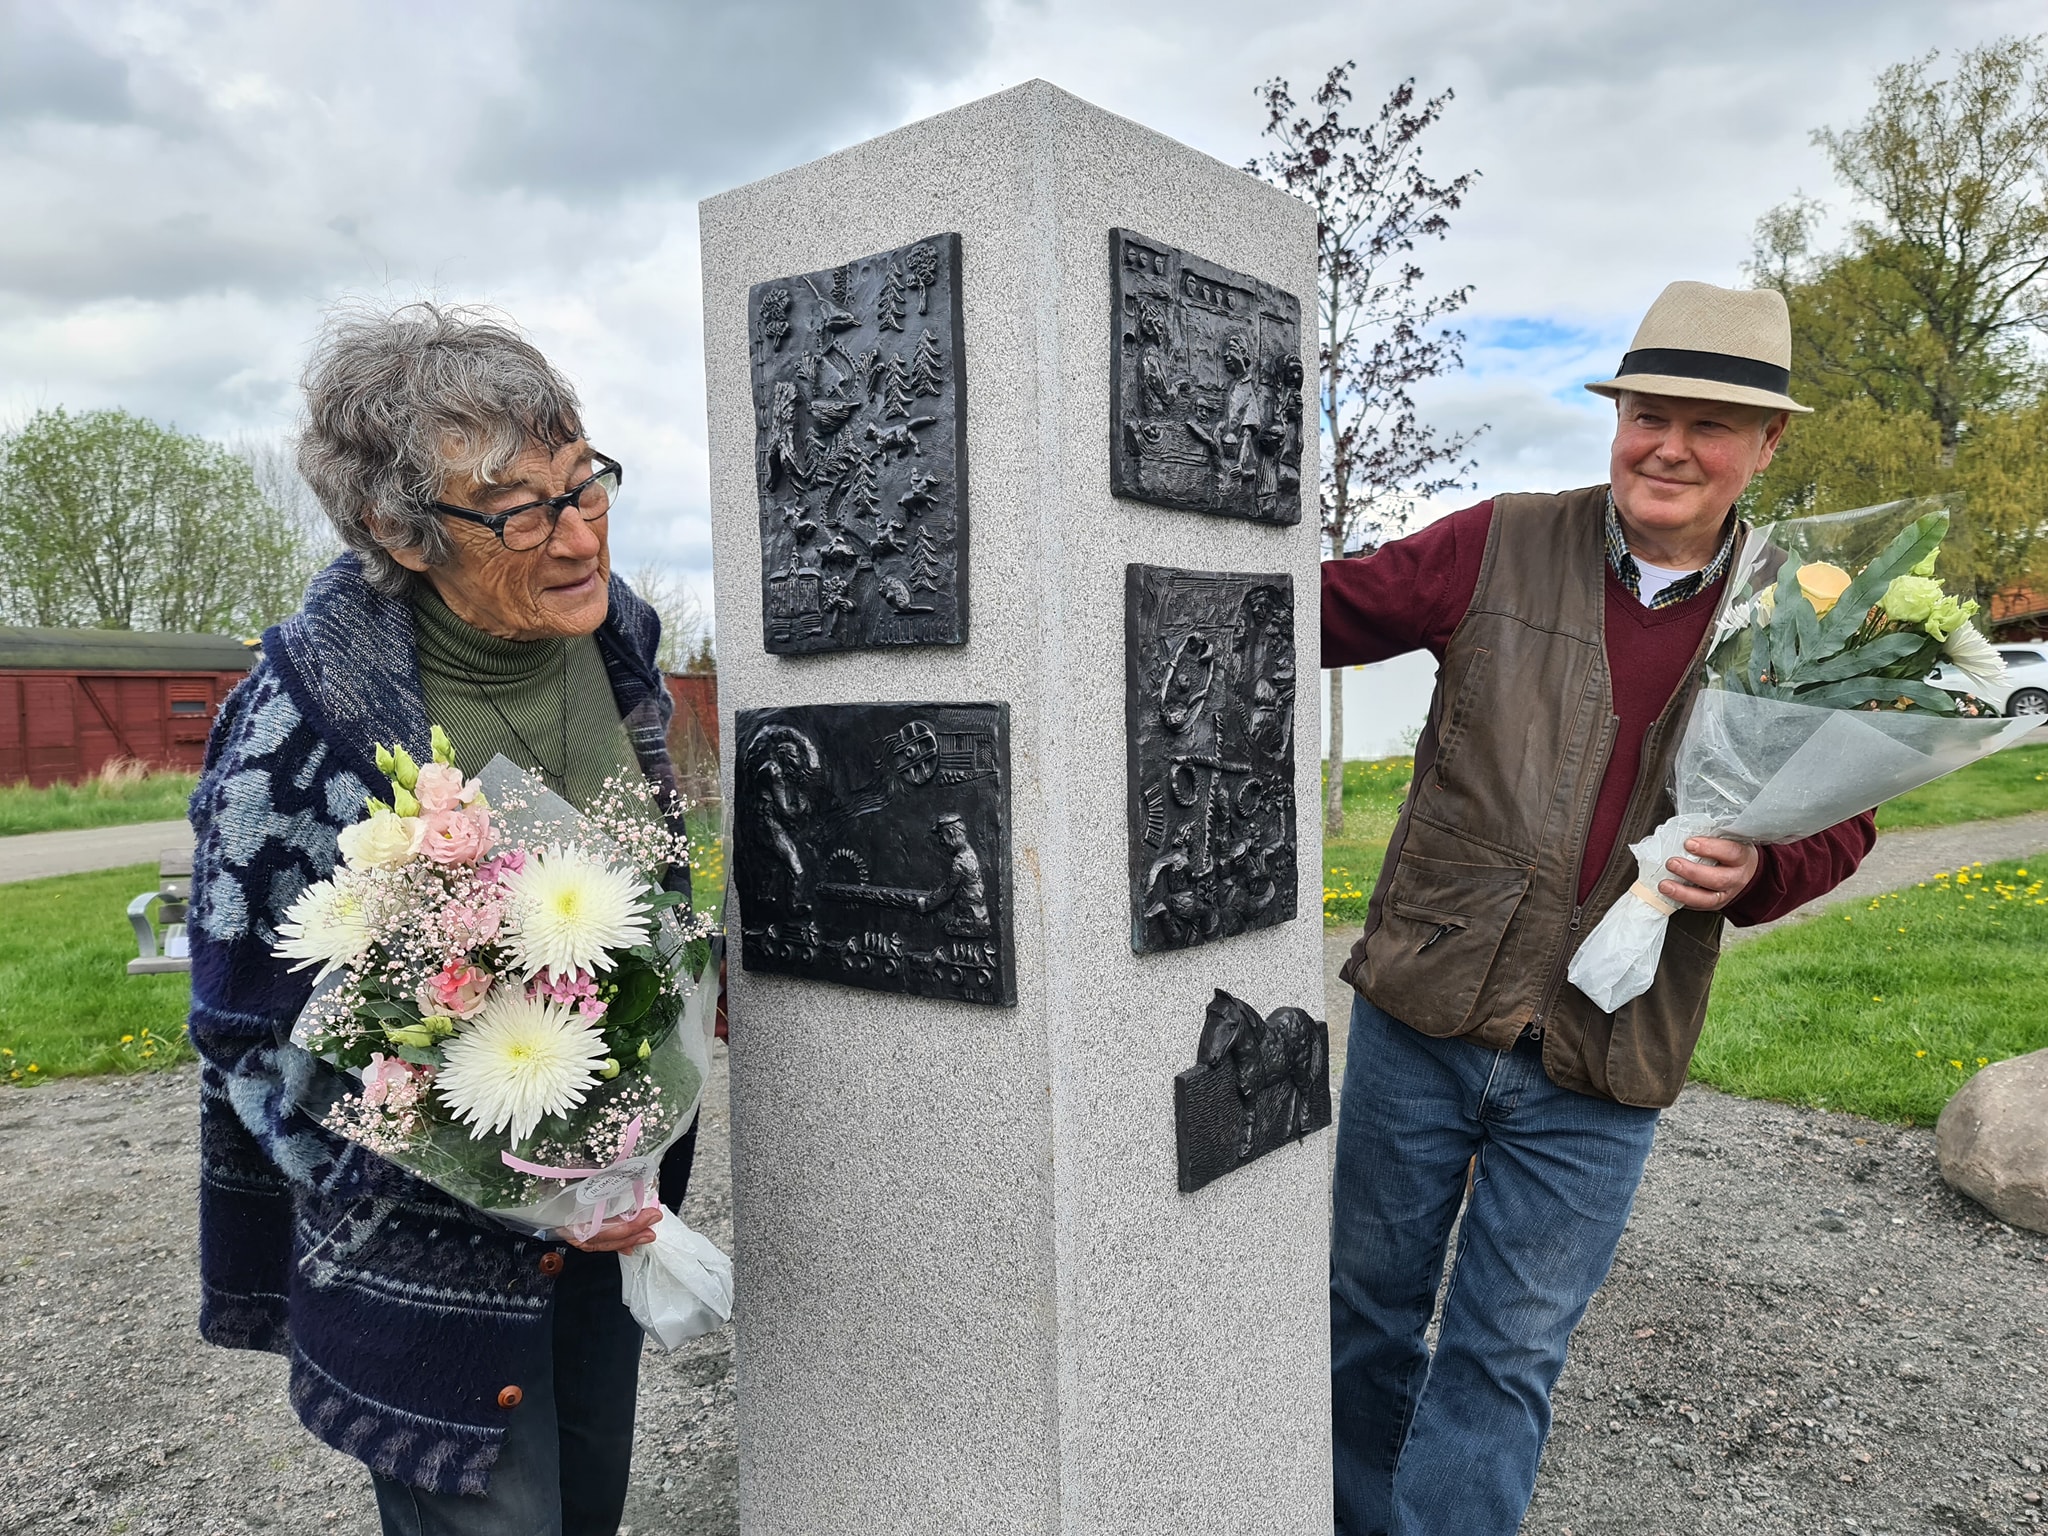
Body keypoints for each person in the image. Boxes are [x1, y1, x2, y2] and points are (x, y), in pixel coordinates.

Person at [1322, 281, 1878, 1535]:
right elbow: (1306, 609)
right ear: (1614, 416)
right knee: (1363, 1316)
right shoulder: (1495, 541)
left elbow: (1847, 812)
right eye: (1645, 413)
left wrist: (1763, 871)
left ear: (1766, 445)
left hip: (1606, 1049)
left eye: (1710, 424)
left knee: (1505, 1358)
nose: (1668, 446)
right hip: (1424, 1008)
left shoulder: (1808, 607)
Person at [187, 302, 697, 1535]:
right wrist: (481, 1168)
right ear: (397, 531)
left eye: (587, 484)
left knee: (591, 1508)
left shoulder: (615, 633)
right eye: (522, 509)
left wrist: (608, 1157)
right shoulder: (294, 734)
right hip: (428, 1257)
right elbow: (249, 1044)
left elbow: (648, 878)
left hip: (613, 1205)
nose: (579, 536)